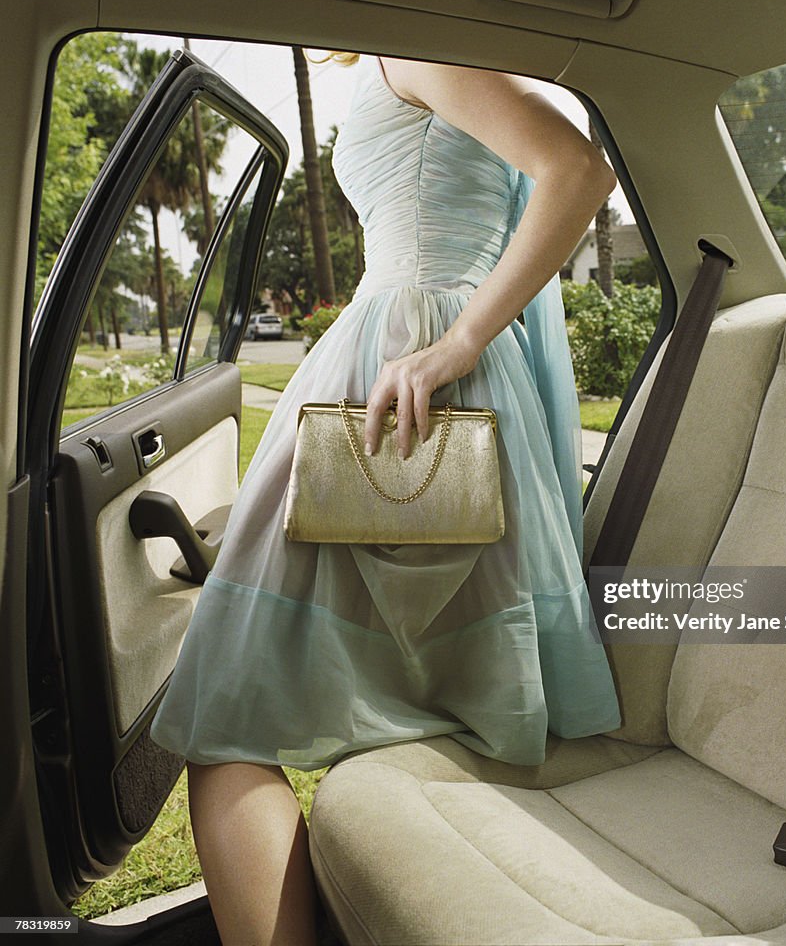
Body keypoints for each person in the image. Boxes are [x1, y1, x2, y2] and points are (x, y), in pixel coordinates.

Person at [149, 49, 622, 945]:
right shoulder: (403, 49)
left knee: (228, 707)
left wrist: (459, 341)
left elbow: (577, 171)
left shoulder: (420, 42)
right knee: (281, 691)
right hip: (407, 362)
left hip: (412, 369)